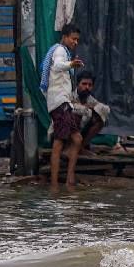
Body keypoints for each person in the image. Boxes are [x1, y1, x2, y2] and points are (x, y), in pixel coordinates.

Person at [41, 22, 86, 187]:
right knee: (59, 142)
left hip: (64, 103)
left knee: (77, 138)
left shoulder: (64, 52)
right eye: (73, 39)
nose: (76, 42)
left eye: (77, 40)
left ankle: (69, 179)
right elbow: (58, 65)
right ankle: (54, 185)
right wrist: (71, 64)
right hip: (59, 103)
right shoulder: (60, 51)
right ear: (65, 37)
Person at [50, 69, 111, 150]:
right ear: (77, 84)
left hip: (79, 134)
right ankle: (68, 149)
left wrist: (93, 108)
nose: (87, 87)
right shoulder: (69, 95)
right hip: (61, 135)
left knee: (100, 120)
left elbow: (106, 110)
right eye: (84, 84)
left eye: (90, 85)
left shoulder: (90, 99)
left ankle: (80, 148)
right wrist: (83, 107)